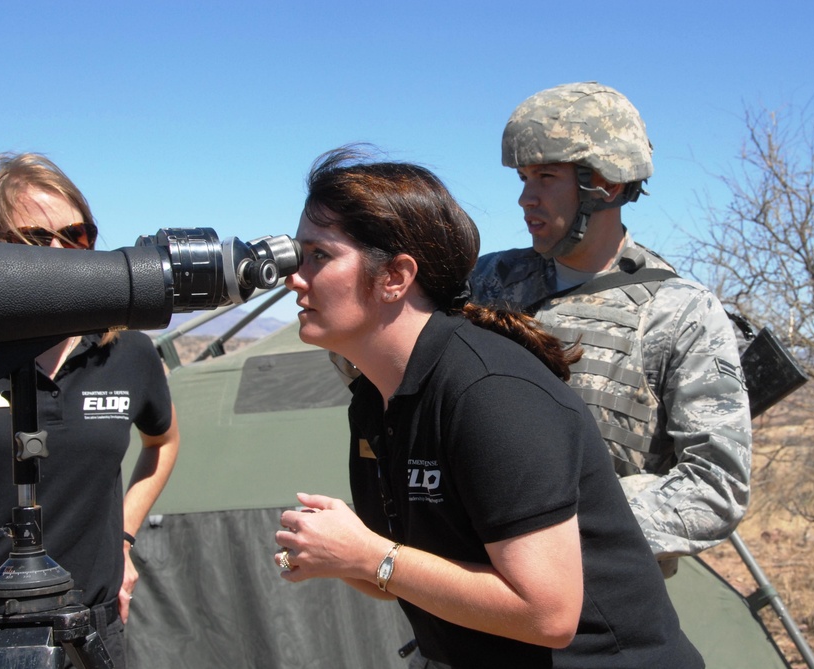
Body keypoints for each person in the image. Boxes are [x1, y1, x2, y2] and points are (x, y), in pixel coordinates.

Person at [274, 146, 703, 669]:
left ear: (395, 277)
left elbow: (547, 614)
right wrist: (345, 557)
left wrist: (369, 557)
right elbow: (415, 574)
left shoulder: (489, 393)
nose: (294, 278)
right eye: (300, 256)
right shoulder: (376, 399)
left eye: (320, 256)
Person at [470, 82, 752, 575]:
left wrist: (552, 528)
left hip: (596, 605)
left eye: (546, 177)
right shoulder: (482, 282)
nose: (525, 199)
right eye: (522, 177)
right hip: (467, 589)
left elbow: (715, 485)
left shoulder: (678, 312)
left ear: (609, 185)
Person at [0, 152, 180, 667]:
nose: (61, 251)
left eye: (77, 235)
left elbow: (164, 441)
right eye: (36, 240)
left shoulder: (126, 351)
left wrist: (124, 538)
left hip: (93, 628)